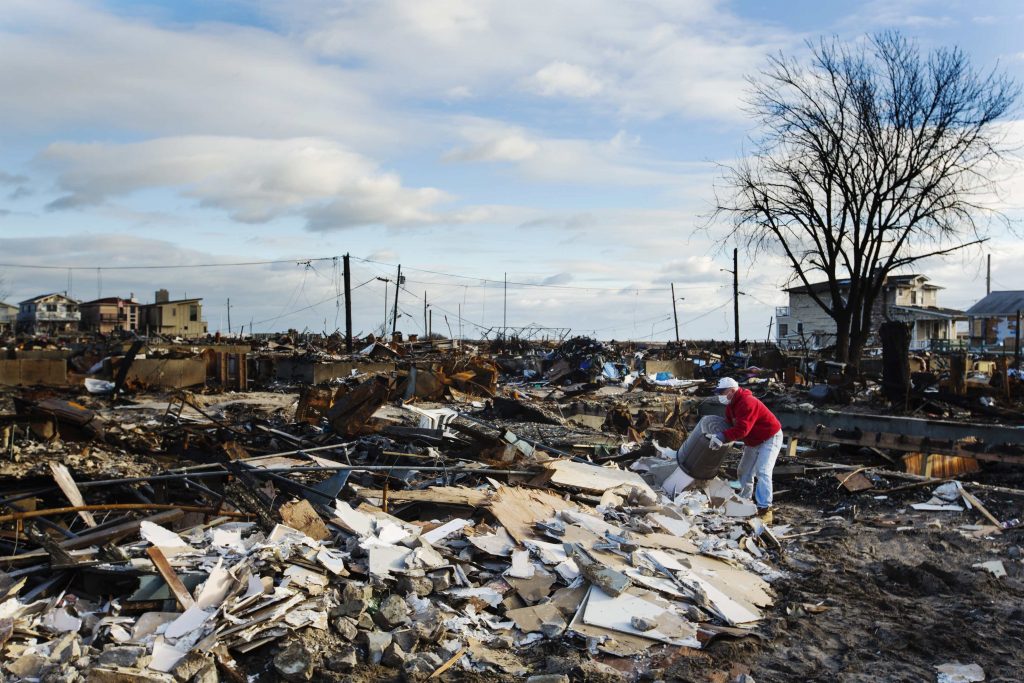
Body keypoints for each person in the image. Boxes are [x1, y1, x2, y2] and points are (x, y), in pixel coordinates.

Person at [712, 377, 783, 522]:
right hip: (754, 439)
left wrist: (723, 437)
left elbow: (742, 429)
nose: (720, 395)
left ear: (732, 391)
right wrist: (717, 434)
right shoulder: (731, 406)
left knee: (763, 471)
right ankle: (745, 502)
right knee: (744, 470)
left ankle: (765, 509)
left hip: (770, 437)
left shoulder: (747, 402)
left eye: (722, 392)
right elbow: (730, 424)